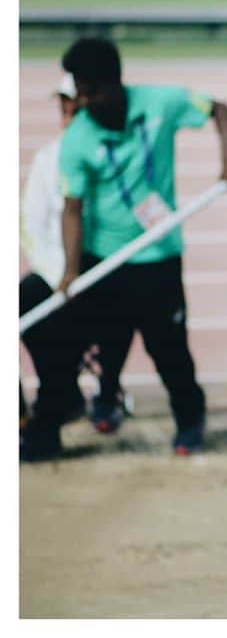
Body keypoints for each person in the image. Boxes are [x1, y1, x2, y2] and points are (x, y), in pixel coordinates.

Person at [56, 37, 227, 455]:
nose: (85, 101)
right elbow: (72, 209)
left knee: (168, 348)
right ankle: (106, 402)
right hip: (105, 258)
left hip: (159, 257)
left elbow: (219, 109)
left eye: (92, 90)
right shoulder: (77, 139)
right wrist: (71, 270)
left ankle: (189, 421)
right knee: (110, 341)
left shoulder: (160, 103)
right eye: (80, 91)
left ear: (115, 83)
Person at [20, 77, 95, 460]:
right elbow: (30, 225)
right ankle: (20, 415)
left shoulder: (105, 154)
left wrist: (81, 276)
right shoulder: (47, 158)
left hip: (99, 274)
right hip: (56, 276)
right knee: (22, 303)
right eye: (63, 104)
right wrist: (60, 278)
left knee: (61, 331)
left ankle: (48, 421)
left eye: (75, 104)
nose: (67, 112)